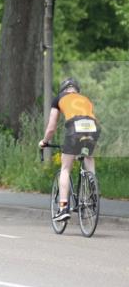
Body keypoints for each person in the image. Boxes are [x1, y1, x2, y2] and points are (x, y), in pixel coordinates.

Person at [39, 78, 100, 222]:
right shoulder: (86, 99)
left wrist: (45, 141)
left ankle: (63, 207)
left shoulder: (59, 98)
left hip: (75, 129)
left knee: (65, 168)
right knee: (88, 156)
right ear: (77, 90)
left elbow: (51, 127)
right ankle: (93, 190)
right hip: (93, 129)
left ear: (63, 90)